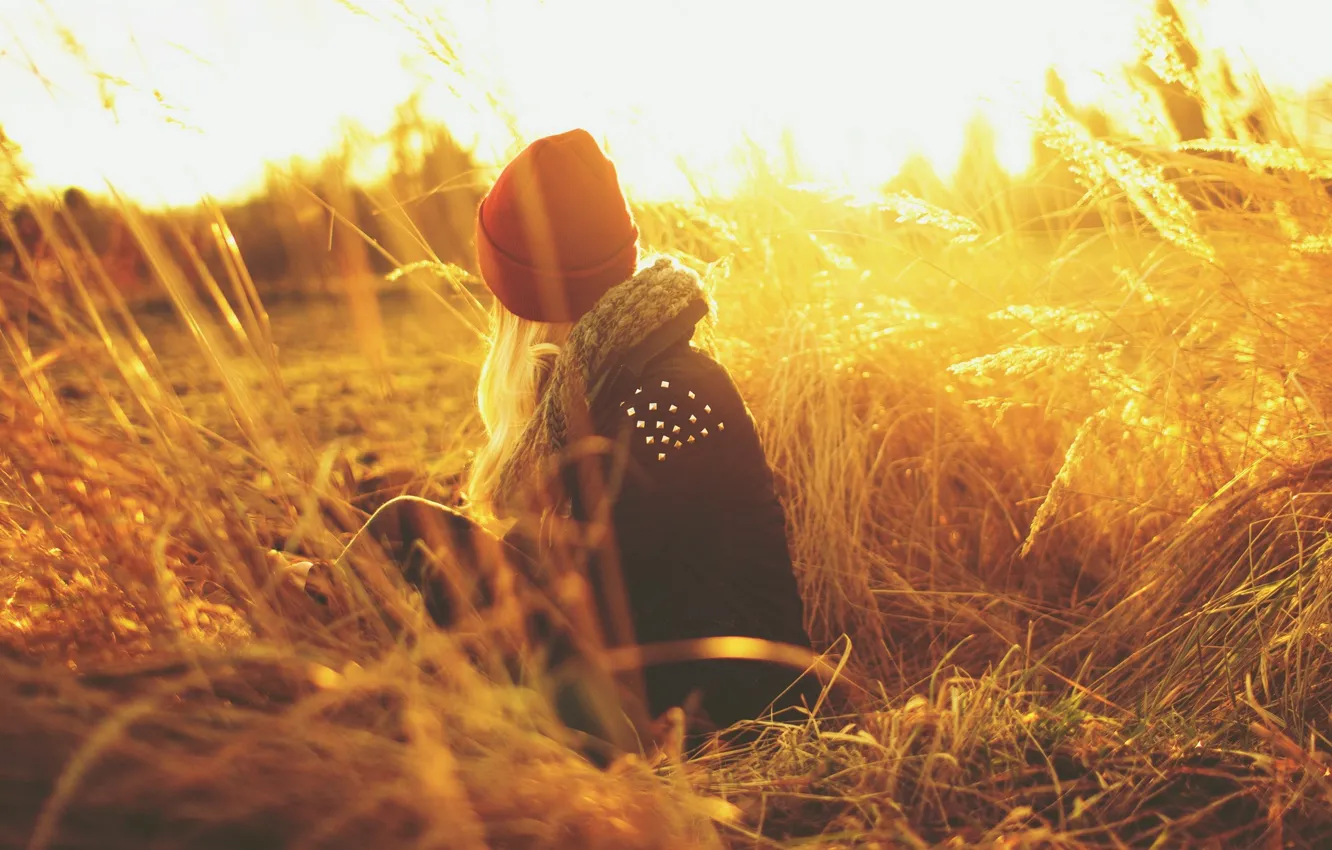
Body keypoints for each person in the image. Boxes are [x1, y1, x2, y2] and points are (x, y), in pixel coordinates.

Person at [356, 129, 821, 755]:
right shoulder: (609, 377)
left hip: (721, 719)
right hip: (656, 690)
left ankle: (321, 686)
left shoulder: (668, 397)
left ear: (526, 299)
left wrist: (463, 575)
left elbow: (609, 612)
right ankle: (321, 652)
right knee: (399, 533)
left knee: (407, 531)